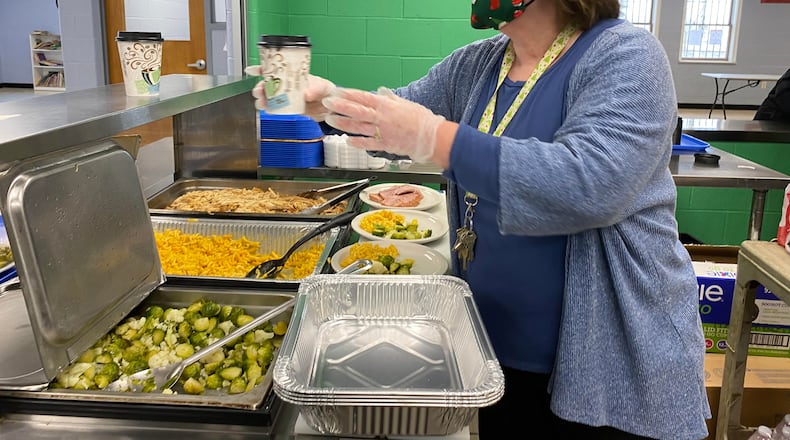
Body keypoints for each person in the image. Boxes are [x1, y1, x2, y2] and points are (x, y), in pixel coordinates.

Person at [249, 0, 711, 438]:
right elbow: (398, 117)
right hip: (498, 348)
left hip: (609, 360)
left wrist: (435, 138)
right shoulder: (482, 64)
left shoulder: (625, 54)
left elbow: (588, 186)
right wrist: (328, 104)